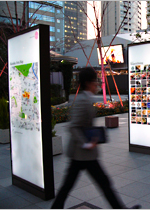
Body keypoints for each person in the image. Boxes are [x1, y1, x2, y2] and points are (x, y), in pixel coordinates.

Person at [51, 67, 141, 209]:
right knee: (100, 183)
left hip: (83, 155)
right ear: (88, 83)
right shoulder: (82, 100)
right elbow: (73, 126)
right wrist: (86, 143)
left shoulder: (85, 98)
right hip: (82, 153)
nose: (97, 84)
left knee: (90, 184)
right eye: (95, 81)